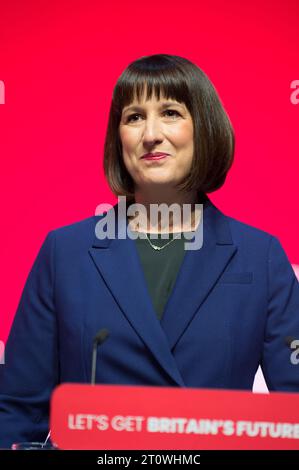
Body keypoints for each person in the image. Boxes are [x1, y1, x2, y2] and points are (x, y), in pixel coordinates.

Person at [0, 54, 299, 448]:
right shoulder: (65, 252)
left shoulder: (260, 256)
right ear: (118, 136)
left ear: (204, 129)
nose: (150, 134)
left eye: (171, 113)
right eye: (134, 117)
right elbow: (18, 411)